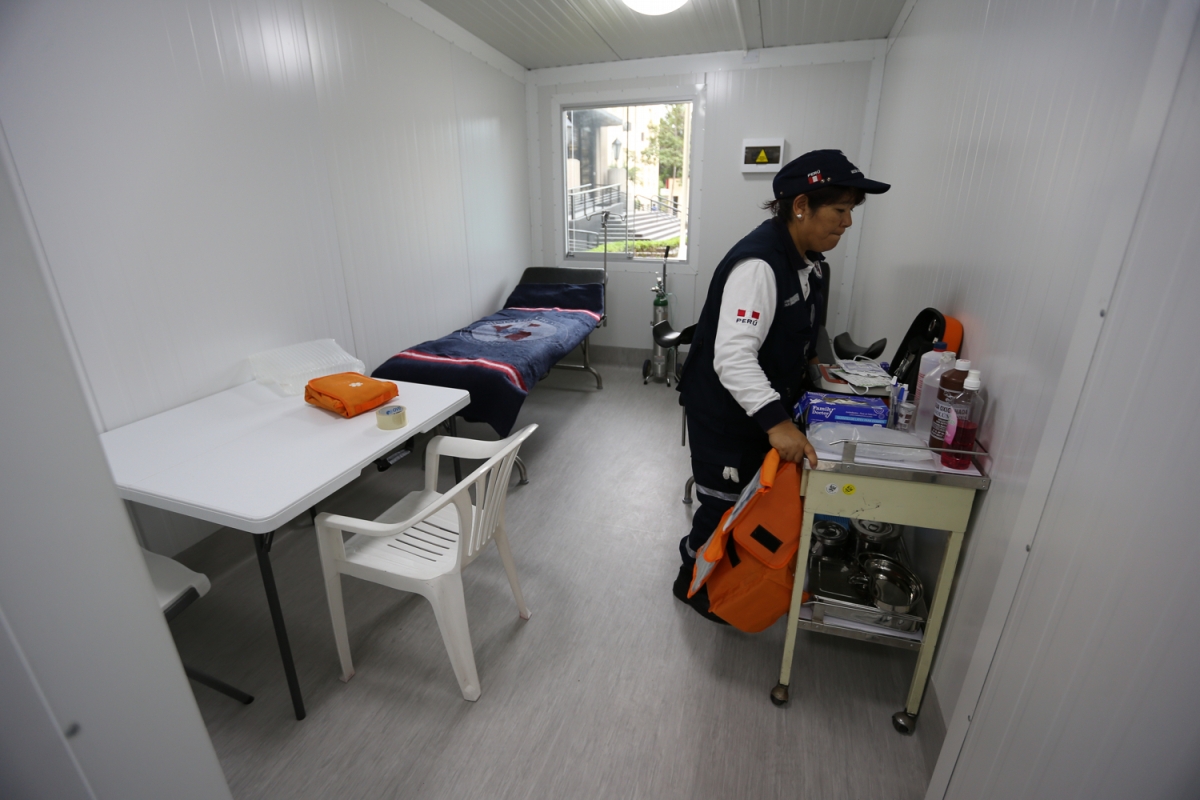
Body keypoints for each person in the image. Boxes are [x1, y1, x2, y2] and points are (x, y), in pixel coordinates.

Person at [672, 149, 890, 622]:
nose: (848, 222)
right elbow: (733, 357)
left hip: (759, 410)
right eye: (840, 210)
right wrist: (778, 424)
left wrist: (815, 369)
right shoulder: (760, 266)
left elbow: (801, 327)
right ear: (801, 206)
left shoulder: (808, 262)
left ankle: (727, 578)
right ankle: (691, 582)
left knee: (747, 505)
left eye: (851, 210)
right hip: (727, 415)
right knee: (722, 506)